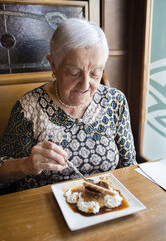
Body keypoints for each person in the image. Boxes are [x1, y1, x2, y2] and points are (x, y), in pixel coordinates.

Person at [0, 18, 137, 194]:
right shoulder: (28, 108)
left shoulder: (115, 102)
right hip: (42, 211)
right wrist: (26, 165)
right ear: (53, 65)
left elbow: (130, 166)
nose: (85, 85)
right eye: (73, 73)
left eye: (95, 73)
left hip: (104, 205)